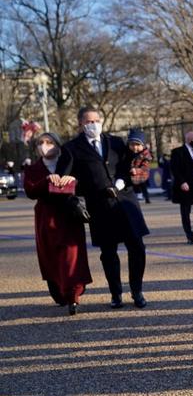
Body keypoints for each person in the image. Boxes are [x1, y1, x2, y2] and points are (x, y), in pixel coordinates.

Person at [64, 107, 150, 309]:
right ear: (80, 124)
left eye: (96, 120)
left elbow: (135, 161)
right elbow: (67, 175)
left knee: (137, 247)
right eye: (88, 121)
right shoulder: (72, 148)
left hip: (125, 201)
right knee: (109, 253)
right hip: (99, 206)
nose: (93, 124)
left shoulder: (117, 142)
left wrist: (125, 178)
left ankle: (137, 291)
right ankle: (116, 293)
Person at [23, 132, 92, 315]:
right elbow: (30, 190)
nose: (45, 146)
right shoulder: (33, 169)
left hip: (69, 216)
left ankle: (73, 295)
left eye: (49, 142)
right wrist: (46, 181)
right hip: (46, 219)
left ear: (58, 145)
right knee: (50, 257)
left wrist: (74, 180)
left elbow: (86, 183)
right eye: (41, 143)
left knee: (72, 257)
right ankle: (60, 291)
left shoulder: (70, 163)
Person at [127, 128, 153, 204]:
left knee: (143, 187)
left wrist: (136, 170)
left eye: (138, 145)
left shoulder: (146, 155)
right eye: (132, 145)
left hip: (142, 175)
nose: (135, 147)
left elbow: (145, 167)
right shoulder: (129, 153)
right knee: (133, 187)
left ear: (143, 145)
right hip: (132, 175)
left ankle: (147, 198)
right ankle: (134, 198)